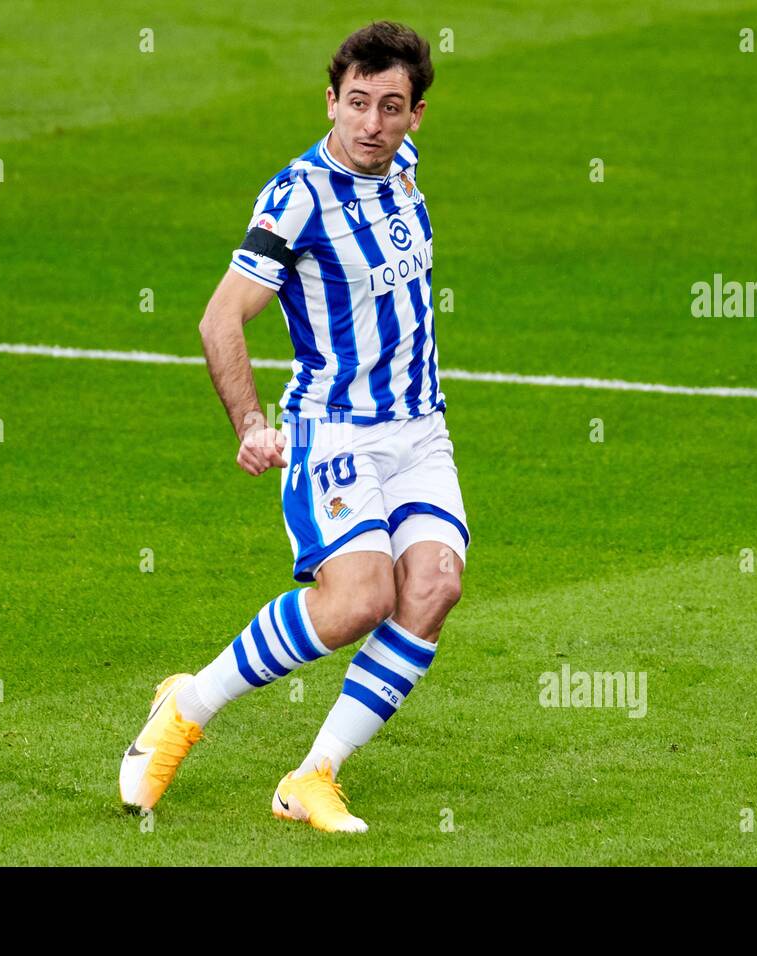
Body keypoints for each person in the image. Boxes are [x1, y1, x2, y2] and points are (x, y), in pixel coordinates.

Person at [119, 20, 468, 833]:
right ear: (330, 101)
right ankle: (187, 707)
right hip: (335, 431)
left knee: (435, 587)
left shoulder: (404, 169)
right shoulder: (298, 198)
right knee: (357, 601)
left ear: (416, 115)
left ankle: (312, 776)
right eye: (356, 104)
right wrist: (249, 423)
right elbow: (219, 321)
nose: (371, 124)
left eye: (391, 106)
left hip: (422, 432)